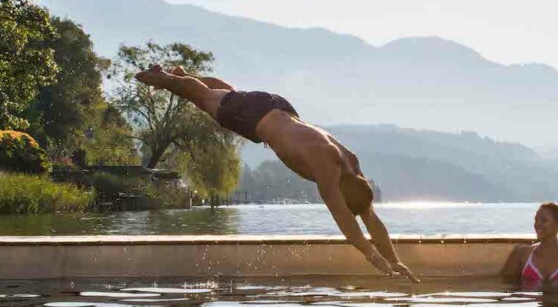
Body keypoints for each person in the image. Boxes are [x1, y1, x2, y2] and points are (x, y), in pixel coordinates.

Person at [134, 64, 419, 282]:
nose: (347, 206)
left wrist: (394, 260)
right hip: (259, 118)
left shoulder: (352, 165)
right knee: (206, 99)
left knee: (224, 95)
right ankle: (163, 77)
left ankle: (182, 74)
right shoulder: (328, 168)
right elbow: (344, 219)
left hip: (278, 107)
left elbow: (370, 217)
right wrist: (372, 256)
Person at [500, 202, 558, 290]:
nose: (537, 224)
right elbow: (506, 286)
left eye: (544, 220)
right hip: (530, 303)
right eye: (536, 220)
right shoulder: (522, 253)